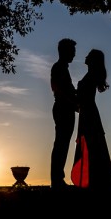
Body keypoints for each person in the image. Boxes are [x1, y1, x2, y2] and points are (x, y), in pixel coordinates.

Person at [71, 49, 111, 190]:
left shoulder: (91, 76)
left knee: (92, 145)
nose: (85, 56)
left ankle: (94, 181)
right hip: (88, 112)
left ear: (92, 60)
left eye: (89, 55)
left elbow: (82, 98)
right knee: (92, 145)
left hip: (89, 113)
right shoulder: (90, 75)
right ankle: (94, 180)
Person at [50, 38, 78, 190]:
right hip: (63, 109)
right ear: (65, 51)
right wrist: (74, 103)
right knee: (61, 144)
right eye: (72, 51)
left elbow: (68, 89)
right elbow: (59, 90)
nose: (74, 55)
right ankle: (57, 181)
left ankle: (58, 180)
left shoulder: (62, 68)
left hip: (65, 108)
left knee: (63, 144)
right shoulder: (59, 68)